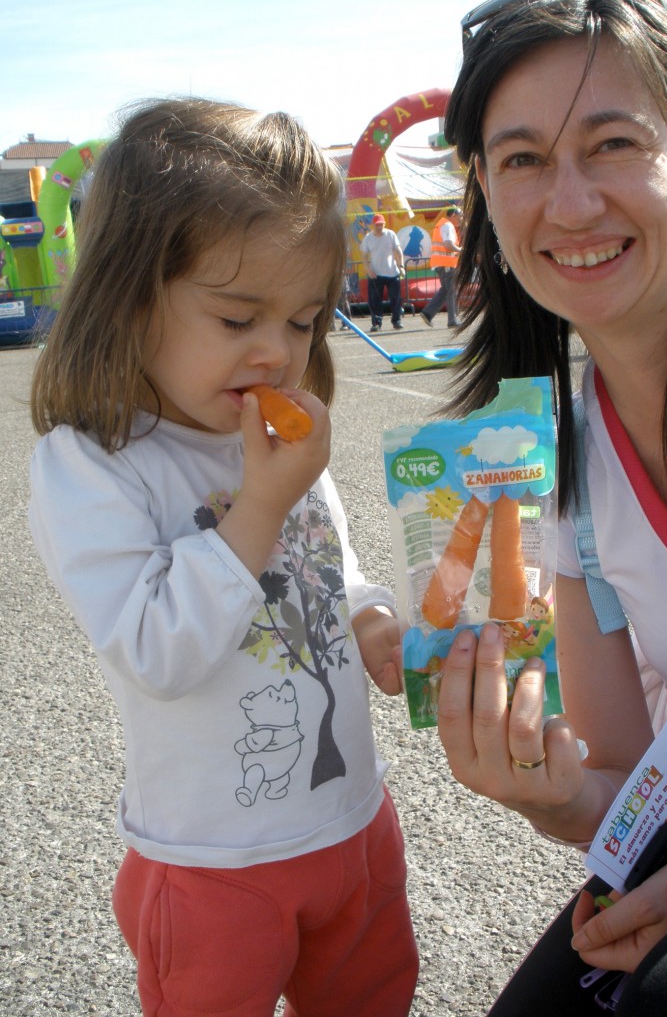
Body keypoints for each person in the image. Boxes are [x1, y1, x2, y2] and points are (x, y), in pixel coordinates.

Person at [27, 98, 418, 1017]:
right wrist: (260, 502)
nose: (277, 353)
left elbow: (329, 570)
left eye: (303, 320)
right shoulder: (95, 464)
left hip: (351, 823)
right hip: (211, 862)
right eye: (239, 316)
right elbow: (157, 650)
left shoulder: (277, 439)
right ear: (129, 297)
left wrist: (371, 621)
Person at [433, 0, 667, 1014]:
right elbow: (624, 774)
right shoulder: (563, 462)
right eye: (523, 160)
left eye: (610, 143)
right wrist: (547, 788)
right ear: (484, 190)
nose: (568, 205)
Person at [360, 213, 405, 332]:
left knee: (395, 298)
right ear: (372, 225)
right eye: (377, 225)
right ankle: (376, 323)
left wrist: (401, 266)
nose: (379, 227)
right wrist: (368, 269)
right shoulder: (368, 237)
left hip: (392, 272)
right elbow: (363, 254)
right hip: (375, 273)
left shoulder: (391, 234)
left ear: (384, 224)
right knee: (374, 300)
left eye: (381, 224)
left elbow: (398, 250)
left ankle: (396, 321)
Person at [420, 206, 462, 327]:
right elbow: (448, 244)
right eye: (460, 216)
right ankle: (452, 320)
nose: (461, 219)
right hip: (446, 264)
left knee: (446, 290)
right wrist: (460, 250)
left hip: (441, 263)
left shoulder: (442, 224)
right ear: (453, 215)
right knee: (451, 291)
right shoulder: (448, 225)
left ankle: (428, 313)